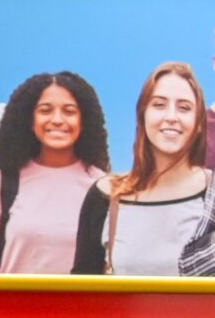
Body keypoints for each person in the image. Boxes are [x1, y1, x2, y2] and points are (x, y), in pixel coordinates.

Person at [74, 62, 213, 275]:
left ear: (199, 123)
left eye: (184, 108)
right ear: (142, 115)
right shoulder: (104, 196)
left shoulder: (211, 193)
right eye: (159, 105)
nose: (171, 117)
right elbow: (82, 299)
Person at [0, 71, 111, 275]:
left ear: (84, 120)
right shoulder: (4, 181)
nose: (57, 120)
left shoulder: (102, 187)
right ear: (29, 119)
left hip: (77, 307)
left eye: (69, 111)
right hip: (10, 306)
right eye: (45, 110)